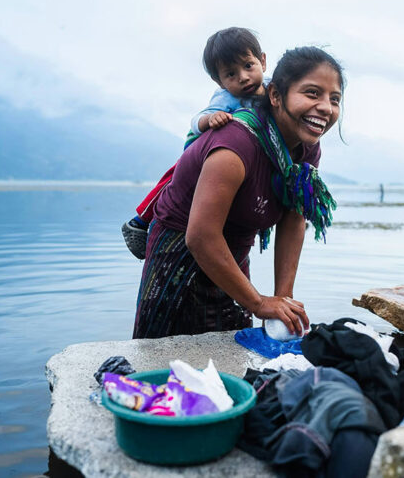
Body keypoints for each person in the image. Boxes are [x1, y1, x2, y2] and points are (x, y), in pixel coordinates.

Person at [133, 46, 343, 339]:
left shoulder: (306, 147)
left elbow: (294, 218)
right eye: (311, 93)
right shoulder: (235, 144)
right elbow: (201, 236)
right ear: (275, 96)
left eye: (335, 99)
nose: (326, 108)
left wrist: (283, 300)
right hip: (180, 255)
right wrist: (257, 303)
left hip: (231, 253)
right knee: (164, 355)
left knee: (233, 351)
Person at [122, 27, 269, 257]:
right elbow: (196, 120)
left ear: (263, 61)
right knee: (173, 181)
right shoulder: (226, 97)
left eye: (248, 65)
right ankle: (140, 221)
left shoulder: (273, 91)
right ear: (219, 81)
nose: (243, 77)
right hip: (202, 151)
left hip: (239, 160)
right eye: (230, 74)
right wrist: (211, 119)